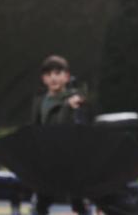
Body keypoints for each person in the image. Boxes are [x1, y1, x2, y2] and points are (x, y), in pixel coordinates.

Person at [30, 54, 88, 215]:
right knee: (41, 203)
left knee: (79, 201)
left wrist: (71, 106)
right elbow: (36, 128)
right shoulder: (40, 102)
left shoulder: (74, 99)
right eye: (48, 74)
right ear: (43, 78)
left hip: (70, 160)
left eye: (57, 73)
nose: (53, 78)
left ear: (66, 76)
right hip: (47, 160)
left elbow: (69, 127)